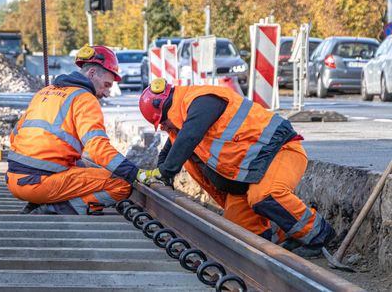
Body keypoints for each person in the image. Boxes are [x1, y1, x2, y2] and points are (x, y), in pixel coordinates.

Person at [138, 78, 336, 258]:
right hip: (246, 179)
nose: (165, 127)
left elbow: (188, 138)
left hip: (282, 152)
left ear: (164, 109)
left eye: (163, 123)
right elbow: (170, 149)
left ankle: (318, 235)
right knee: (235, 236)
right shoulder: (182, 122)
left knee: (265, 195)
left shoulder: (201, 101)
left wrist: (165, 172)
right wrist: (159, 174)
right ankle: (282, 238)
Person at [6, 45, 159, 215]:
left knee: (81, 164)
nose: (107, 93)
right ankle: (51, 208)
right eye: (106, 85)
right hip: (39, 184)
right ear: (92, 73)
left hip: (14, 180)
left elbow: (15, 136)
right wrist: (134, 173)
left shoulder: (45, 92)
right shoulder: (85, 99)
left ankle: (40, 201)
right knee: (120, 184)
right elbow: (97, 148)